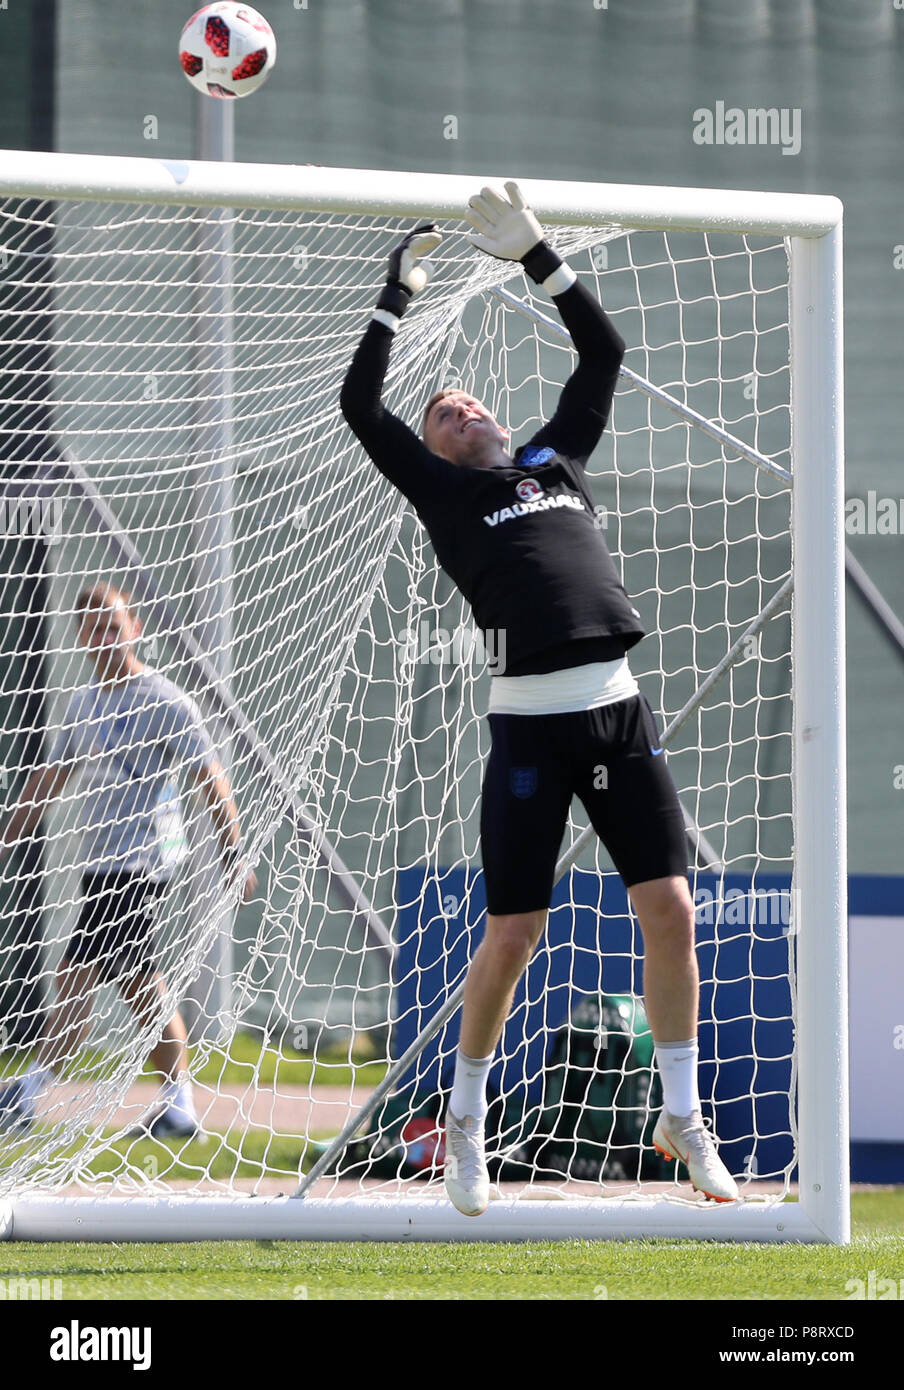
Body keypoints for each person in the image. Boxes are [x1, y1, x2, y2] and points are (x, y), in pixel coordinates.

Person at [341, 183, 740, 1215]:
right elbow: (358, 407)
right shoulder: (442, 491)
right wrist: (397, 294)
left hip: (617, 705)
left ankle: (682, 1117)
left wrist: (536, 255)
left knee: (673, 910)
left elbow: (601, 353)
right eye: (443, 410)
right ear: (431, 447)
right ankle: (465, 1118)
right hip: (528, 721)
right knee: (512, 931)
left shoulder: (555, 458)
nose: (461, 407)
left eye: (469, 400)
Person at [0, 582, 256, 1138]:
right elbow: (51, 778)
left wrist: (232, 853)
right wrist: (8, 834)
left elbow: (211, 778)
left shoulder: (165, 700)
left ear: (134, 628)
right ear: (80, 639)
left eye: (113, 626)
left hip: (144, 861)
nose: (104, 637)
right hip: (101, 862)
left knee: (78, 976)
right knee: (139, 985)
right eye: (93, 629)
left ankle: (31, 1090)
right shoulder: (82, 704)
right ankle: (178, 1104)